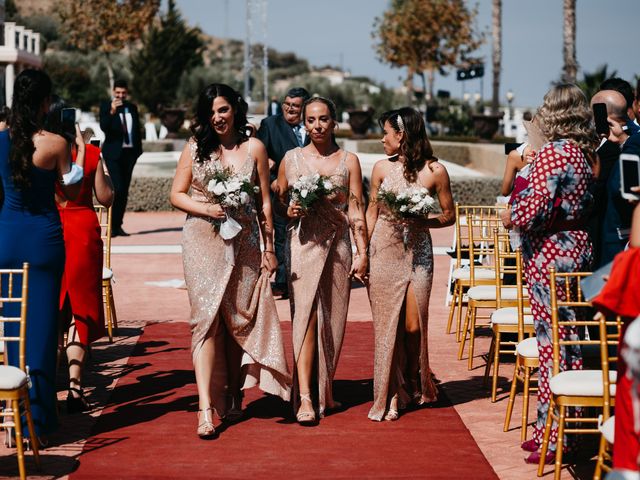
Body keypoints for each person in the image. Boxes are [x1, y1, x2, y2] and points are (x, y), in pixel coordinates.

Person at [170, 83, 291, 439]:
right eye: (211, 111)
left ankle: (234, 395)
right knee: (205, 320)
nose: (217, 117)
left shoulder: (254, 147)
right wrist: (206, 208)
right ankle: (205, 408)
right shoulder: (195, 148)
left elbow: (265, 202)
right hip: (202, 240)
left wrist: (270, 249)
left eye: (222, 110)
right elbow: (176, 194)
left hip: (246, 242)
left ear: (235, 109)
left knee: (240, 318)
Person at [501, 83, 599, 464]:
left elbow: (533, 209)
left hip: (549, 255)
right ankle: (554, 429)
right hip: (576, 248)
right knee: (567, 339)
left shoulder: (553, 154)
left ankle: (559, 435)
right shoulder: (581, 153)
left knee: (554, 343)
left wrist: (513, 213)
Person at [0, 69, 85, 441]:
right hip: (44, 241)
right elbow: (69, 192)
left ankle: (13, 414)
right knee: (43, 328)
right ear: (46, 102)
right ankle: (39, 418)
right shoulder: (56, 143)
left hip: (7, 236)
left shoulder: (0, 140)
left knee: (11, 328)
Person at [276, 96, 368, 425]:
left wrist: (363, 252)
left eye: (323, 119)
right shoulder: (291, 158)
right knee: (305, 318)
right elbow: (282, 196)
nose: (317, 125)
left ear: (334, 123)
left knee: (333, 321)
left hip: (338, 247)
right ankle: (304, 398)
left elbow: (355, 208)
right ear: (304, 124)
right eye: (311, 120)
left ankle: (325, 387)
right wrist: (290, 209)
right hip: (302, 245)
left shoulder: (350, 161)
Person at [366, 107, 454, 421]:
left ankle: (415, 379)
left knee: (413, 325)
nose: (381, 139)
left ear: (401, 135)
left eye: (386, 133)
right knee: (388, 325)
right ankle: (393, 391)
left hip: (419, 253)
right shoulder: (379, 168)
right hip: (384, 252)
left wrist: (421, 221)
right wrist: (363, 252)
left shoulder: (436, 171)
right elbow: (371, 212)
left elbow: (448, 214)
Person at [47, 99, 114, 413]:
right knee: (81, 311)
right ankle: (75, 386)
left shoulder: (44, 155)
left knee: (53, 310)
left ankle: (49, 386)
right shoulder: (92, 155)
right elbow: (107, 198)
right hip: (83, 232)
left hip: (53, 229)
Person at [257, 87, 311, 299]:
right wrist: (271, 182)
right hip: (279, 193)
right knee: (281, 236)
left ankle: (303, 277)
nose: (289, 108)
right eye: (286, 104)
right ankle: (283, 281)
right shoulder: (270, 125)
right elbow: (260, 160)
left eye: (295, 105)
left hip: (308, 195)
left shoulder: (313, 125)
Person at [99, 79, 142, 237]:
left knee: (124, 192)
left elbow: (137, 129)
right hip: (113, 154)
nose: (120, 95)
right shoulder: (106, 106)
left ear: (127, 93)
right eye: (118, 92)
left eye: (123, 93)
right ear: (113, 92)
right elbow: (104, 127)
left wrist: (138, 151)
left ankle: (118, 226)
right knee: (117, 188)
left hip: (129, 154)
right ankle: (110, 226)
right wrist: (111, 111)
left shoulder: (132, 108)